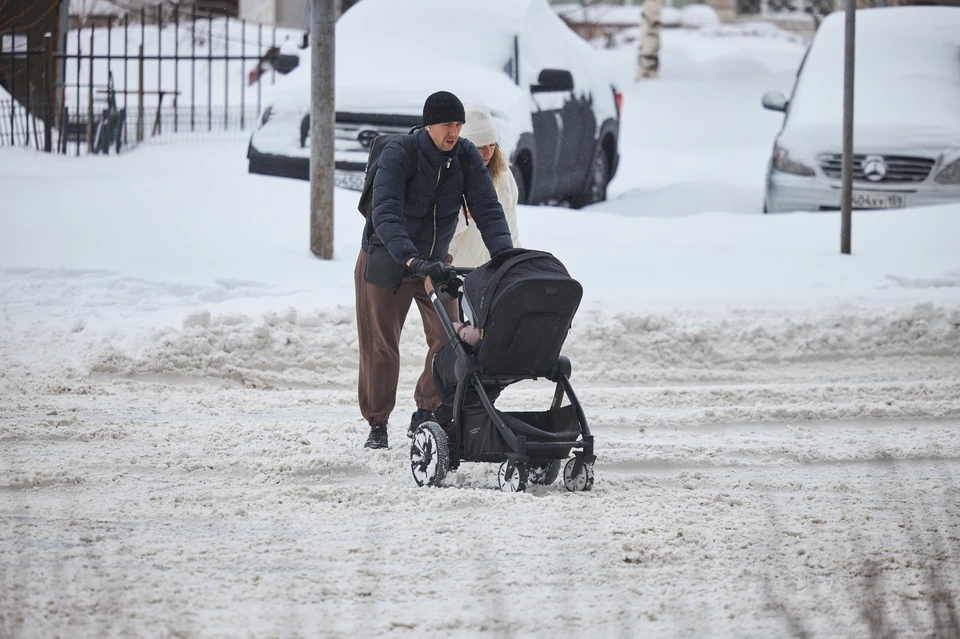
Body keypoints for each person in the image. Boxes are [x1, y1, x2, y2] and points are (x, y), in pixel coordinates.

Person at [355, 91, 514, 450]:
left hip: (436, 264)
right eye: (447, 125)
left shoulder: (465, 156)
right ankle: (378, 423)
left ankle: (426, 410)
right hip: (388, 260)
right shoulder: (399, 153)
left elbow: (488, 209)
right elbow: (385, 213)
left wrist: (505, 255)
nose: (454, 132)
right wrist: (411, 260)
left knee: (449, 340)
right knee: (381, 346)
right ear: (429, 125)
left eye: (458, 125)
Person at [447, 103, 521, 267]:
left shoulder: (504, 174)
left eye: (492, 145)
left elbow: (511, 231)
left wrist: (515, 264)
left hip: (494, 273)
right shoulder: (447, 175)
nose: (488, 153)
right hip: (457, 272)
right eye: (480, 147)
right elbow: (431, 236)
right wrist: (461, 216)